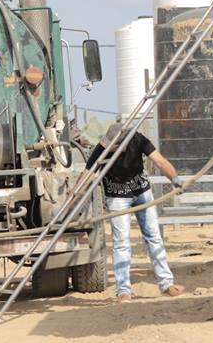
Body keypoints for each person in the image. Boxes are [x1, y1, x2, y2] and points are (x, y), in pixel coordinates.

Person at [82, 123, 183, 302]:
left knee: (153, 236)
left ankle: (166, 284)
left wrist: (175, 179)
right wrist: (75, 197)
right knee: (121, 243)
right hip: (117, 198)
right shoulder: (101, 149)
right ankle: (124, 291)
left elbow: (159, 161)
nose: (110, 148)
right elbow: (87, 175)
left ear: (124, 143)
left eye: (114, 146)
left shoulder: (137, 139)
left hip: (142, 192)